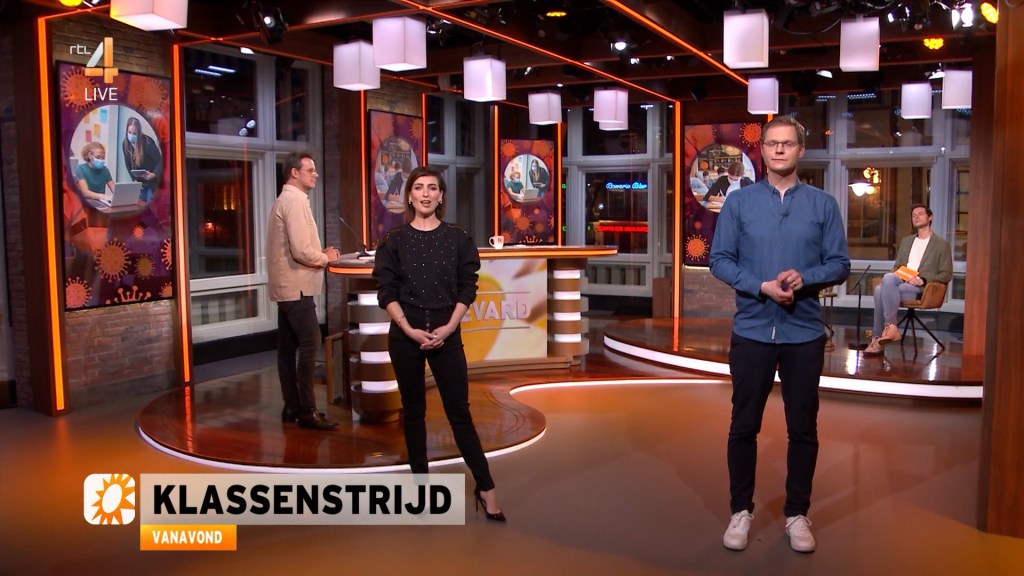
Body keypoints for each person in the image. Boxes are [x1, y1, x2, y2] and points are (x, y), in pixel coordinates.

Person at [709, 116, 850, 554]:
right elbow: (720, 259)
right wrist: (760, 286)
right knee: (743, 426)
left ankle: (797, 513)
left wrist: (806, 278)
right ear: (763, 149)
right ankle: (740, 511)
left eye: (788, 143)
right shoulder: (739, 203)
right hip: (752, 330)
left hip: (803, 333)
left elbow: (839, 264)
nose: (780, 150)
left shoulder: (823, 205)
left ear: (800, 150)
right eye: (772, 143)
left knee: (803, 428)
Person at [372, 165, 506, 522]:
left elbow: (467, 287)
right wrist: (407, 328)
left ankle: (486, 488)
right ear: (410, 196)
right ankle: (421, 486)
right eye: (419, 188)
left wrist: (449, 328)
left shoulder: (457, 237)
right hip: (406, 335)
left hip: (447, 333)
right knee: (413, 412)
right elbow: (386, 291)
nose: (426, 194)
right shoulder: (394, 239)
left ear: (441, 195)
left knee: (459, 412)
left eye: (433, 188)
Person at [266, 152, 340, 431]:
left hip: (286, 287)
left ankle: (292, 406)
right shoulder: (294, 201)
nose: (315, 174)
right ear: (294, 173)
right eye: (310, 169)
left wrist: (318, 254)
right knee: (310, 344)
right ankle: (308, 410)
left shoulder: (285, 199)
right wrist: (326, 258)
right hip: (295, 287)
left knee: (287, 349)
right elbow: (300, 251)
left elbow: (294, 248)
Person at [864, 204, 953, 355]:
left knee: (879, 290)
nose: (916, 217)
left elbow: (946, 274)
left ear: (930, 217)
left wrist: (923, 280)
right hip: (901, 280)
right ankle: (889, 329)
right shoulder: (906, 241)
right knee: (888, 279)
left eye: (920, 214)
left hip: (919, 287)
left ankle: (878, 338)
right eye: (913, 215)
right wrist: (901, 275)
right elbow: (896, 267)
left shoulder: (941, 244)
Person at [121, 117, 163, 204]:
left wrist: (153, 174)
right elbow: (128, 165)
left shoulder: (147, 142)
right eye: (129, 132)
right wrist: (134, 179)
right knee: (140, 206)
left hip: (152, 183)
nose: (131, 135)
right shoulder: (125, 144)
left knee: (151, 205)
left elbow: (160, 162)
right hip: (139, 184)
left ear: (139, 132)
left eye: (134, 133)